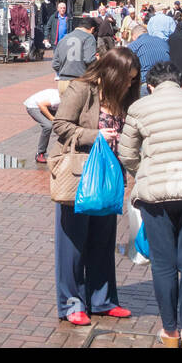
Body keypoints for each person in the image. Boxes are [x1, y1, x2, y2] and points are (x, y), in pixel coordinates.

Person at [117, 60, 182, 347]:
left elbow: (127, 153)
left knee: (163, 264)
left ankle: (170, 331)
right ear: (180, 83)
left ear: (150, 86)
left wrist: (144, 171)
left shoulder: (139, 108)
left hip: (156, 195)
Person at [48, 47, 141, 324]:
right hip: (80, 174)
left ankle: (102, 300)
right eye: (126, 78)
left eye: (133, 80)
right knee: (73, 243)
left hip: (110, 175)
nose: (129, 84)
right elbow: (61, 125)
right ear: (112, 73)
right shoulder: (82, 89)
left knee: (103, 241)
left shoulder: (123, 97)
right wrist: (94, 134)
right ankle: (71, 303)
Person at [52, 15, 97, 95]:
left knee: (64, 107)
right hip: (79, 82)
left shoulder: (63, 39)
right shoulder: (89, 37)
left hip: (62, 83)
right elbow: (89, 60)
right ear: (92, 29)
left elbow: (55, 64)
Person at [127, 10, 172, 83]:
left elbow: (127, 64)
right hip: (165, 80)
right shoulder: (162, 41)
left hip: (146, 81)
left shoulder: (134, 45)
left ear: (134, 36)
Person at [23, 86, 61, 163]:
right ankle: (40, 154)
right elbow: (41, 105)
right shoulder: (58, 99)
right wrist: (52, 118)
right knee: (48, 126)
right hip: (34, 106)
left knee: (63, 122)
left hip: (48, 106)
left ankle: (64, 149)